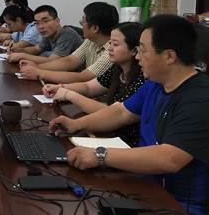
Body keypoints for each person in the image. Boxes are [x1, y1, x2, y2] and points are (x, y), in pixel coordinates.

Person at [50, 15, 209, 214]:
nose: (137, 57)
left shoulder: (200, 99)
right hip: (145, 185)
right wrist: (77, 124)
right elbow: (121, 112)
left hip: (177, 204)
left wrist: (100, 155)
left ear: (169, 56)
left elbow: (169, 158)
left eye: (142, 50)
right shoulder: (155, 84)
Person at [43, 22, 145, 146]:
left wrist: (69, 94)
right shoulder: (117, 68)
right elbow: (89, 87)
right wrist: (61, 87)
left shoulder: (142, 79)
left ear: (134, 50)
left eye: (115, 44)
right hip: (109, 133)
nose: (110, 48)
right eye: (110, 43)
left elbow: (113, 113)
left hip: (125, 142)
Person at [19, 1, 118, 83]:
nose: (80, 24)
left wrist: (40, 73)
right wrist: (37, 67)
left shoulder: (112, 51)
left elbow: (83, 77)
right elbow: (70, 61)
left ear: (95, 28)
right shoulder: (90, 41)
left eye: (83, 21)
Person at [7, 5, 82, 63]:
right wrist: (19, 50)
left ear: (57, 21)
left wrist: (23, 56)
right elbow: (36, 49)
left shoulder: (67, 33)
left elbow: (53, 61)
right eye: (37, 23)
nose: (41, 27)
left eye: (45, 21)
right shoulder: (48, 34)